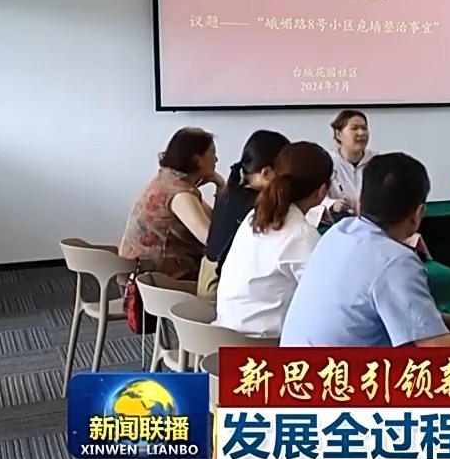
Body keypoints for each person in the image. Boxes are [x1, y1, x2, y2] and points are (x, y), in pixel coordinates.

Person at [283, 153, 450, 459]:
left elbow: (371, 313)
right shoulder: (396, 260)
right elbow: (434, 353)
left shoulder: (339, 233)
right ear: (417, 213)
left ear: (361, 201)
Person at [215, 142, 331, 338]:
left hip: (223, 331)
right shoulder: (301, 234)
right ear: (322, 191)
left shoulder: (256, 215)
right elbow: (325, 297)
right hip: (261, 343)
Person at [119, 127, 222, 279]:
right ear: (197, 160)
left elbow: (215, 223)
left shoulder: (167, 180)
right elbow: (212, 241)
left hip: (137, 273)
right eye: (212, 153)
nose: (216, 159)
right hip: (157, 280)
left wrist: (220, 187)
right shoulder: (180, 194)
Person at [199, 130, 289, 298]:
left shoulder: (232, 193)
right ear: (266, 173)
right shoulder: (258, 205)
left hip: (207, 281)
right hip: (219, 292)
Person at [327, 109, 374, 213]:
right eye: (354, 128)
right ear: (338, 134)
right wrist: (332, 205)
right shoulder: (327, 161)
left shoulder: (376, 162)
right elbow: (313, 199)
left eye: (364, 128)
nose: (361, 133)